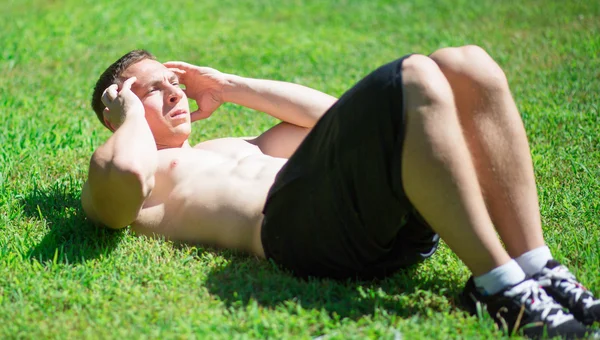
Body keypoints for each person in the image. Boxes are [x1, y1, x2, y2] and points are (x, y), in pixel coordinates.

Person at [82, 47, 599, 338]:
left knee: (469, 64)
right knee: (414, 74)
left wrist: (228, 85)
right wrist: (128, 115)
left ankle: (537, 267)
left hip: (361, 224)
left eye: (173, 80)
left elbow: (342, 120)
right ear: (116, 110)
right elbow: (119, 182)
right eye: (152, 87)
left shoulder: (236, 144)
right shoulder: (141, 168)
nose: (175, 89)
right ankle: (498, 288)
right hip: (295, 235)